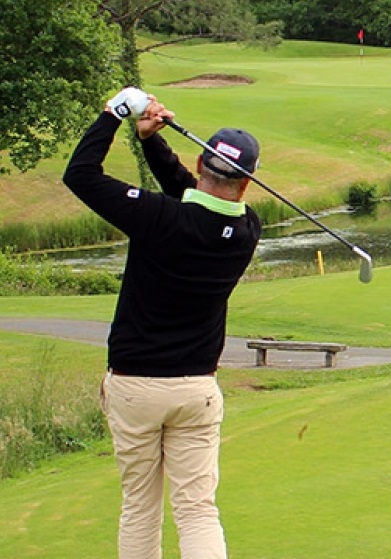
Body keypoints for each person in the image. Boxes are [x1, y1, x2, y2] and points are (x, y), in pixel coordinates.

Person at [63, 87, 263, 559]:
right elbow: (193, 201)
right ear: (248, 183)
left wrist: (114, 114)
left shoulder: (155, 217)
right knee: (197, 510)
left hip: (135, 387)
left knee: (140, 507)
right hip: (196, 389)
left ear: (199, 165)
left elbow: (80, 174)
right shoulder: (247, 229)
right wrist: (152, 142)